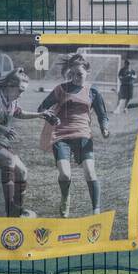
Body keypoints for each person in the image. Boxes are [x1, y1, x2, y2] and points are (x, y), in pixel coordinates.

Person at [0, 68, 55, 218]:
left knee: (23, 171)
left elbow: (19, 113)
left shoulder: (12, 100)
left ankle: (17, 211)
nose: (21, 94)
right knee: (9, 161)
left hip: (0, 143)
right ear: (10, 85)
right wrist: (3, 129)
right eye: (20, 90)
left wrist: (40, 115)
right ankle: (10, 209)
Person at [38, 52, 111, 217]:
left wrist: (104, 128)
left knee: (90, 172)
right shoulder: (61, 89)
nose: (77, 77)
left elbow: (102, 115)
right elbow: (42, 107)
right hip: (61, 136)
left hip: (83, 136)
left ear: (87, 72)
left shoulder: (93, 92)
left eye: (80, 74)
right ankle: (65, 197)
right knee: (64, 174)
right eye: (73, 74)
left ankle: (96, 211)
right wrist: (49, 115)